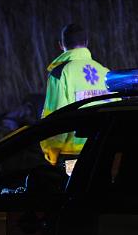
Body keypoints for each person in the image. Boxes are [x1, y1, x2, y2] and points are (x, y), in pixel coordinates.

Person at [40, 23, 109, 165]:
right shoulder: (105, 72)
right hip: (105, 150)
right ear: (87, 42)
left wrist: (52, 155)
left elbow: (56, 116)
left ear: (61, 45)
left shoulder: (60, 73)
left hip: (72, 156)